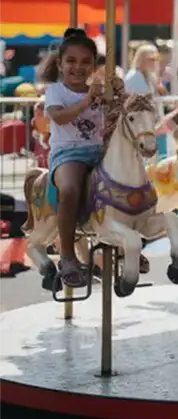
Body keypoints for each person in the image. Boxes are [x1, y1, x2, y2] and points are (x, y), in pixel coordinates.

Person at [40, 29, 105, 288]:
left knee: (133, 181)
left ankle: (133, 242)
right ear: (60, 63)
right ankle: (67, 255)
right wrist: (88, 101)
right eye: (71, 61)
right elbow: (59, 117)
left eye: (85, 62)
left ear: (93, 66)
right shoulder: (56, 91)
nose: (78, 67)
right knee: (69, 189)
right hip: (69, 152)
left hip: (99, 152)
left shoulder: (100, 93)